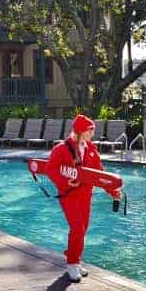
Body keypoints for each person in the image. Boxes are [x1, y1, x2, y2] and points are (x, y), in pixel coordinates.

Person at [46, 114, 120, 282]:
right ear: (80, 131)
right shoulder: (61, 149)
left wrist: (113, 191)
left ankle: (76, 260)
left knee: (83, 228)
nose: (92, 134)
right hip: (69, 195)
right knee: (77, 227)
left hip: (86, 195)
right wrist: (66, 182)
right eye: (89, 130)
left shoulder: (92, 149)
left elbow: (99, 174)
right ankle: (72, 263)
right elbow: (51, 170)